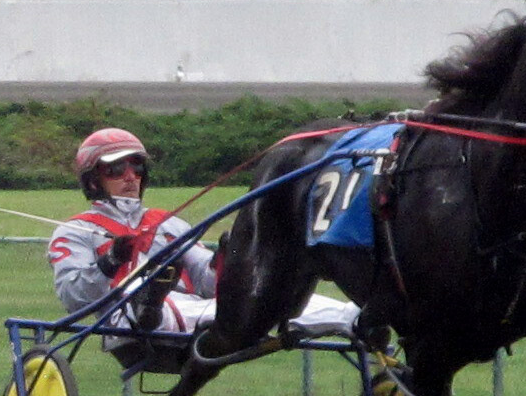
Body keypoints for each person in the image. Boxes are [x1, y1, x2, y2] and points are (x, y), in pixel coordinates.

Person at [46, 127, 356, 357]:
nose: (130, 176)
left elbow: (208, 284)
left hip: (195, 312)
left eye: (136, 166)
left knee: (268, 296)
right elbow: (73, 297)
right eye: (116, 169)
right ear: (92, 180)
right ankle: (149, 303)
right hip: (125, 322)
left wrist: (224, 258)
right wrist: (109, 262)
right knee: (139, 287)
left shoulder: (168, 224)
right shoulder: (74, 232)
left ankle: (353, 316)